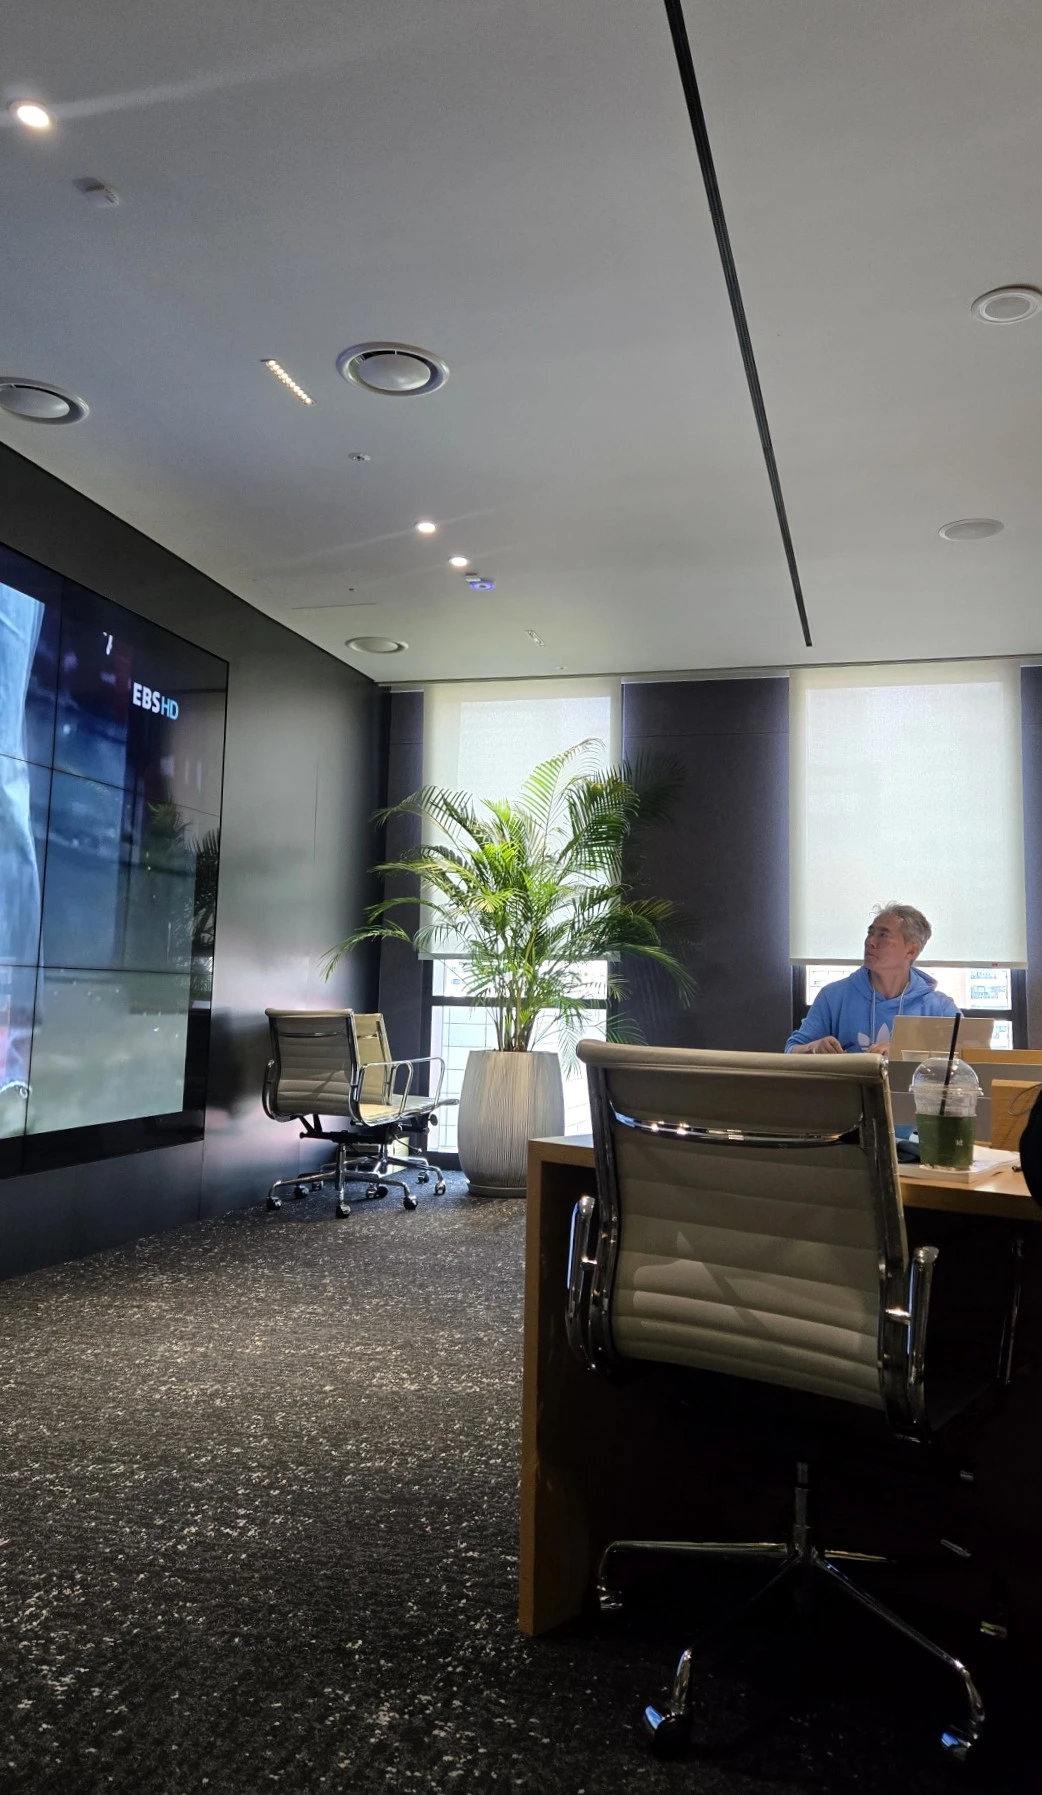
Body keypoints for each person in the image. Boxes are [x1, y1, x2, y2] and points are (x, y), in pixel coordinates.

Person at [786, 903, 958, 1055]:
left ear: (911, 951)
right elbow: (791, 1051)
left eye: (883, 935)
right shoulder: (833, 996)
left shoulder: (939, 1008)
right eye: (870, 933)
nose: (870, 941)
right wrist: (813, 1048)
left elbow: (965, 1060)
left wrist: (901, 1053)